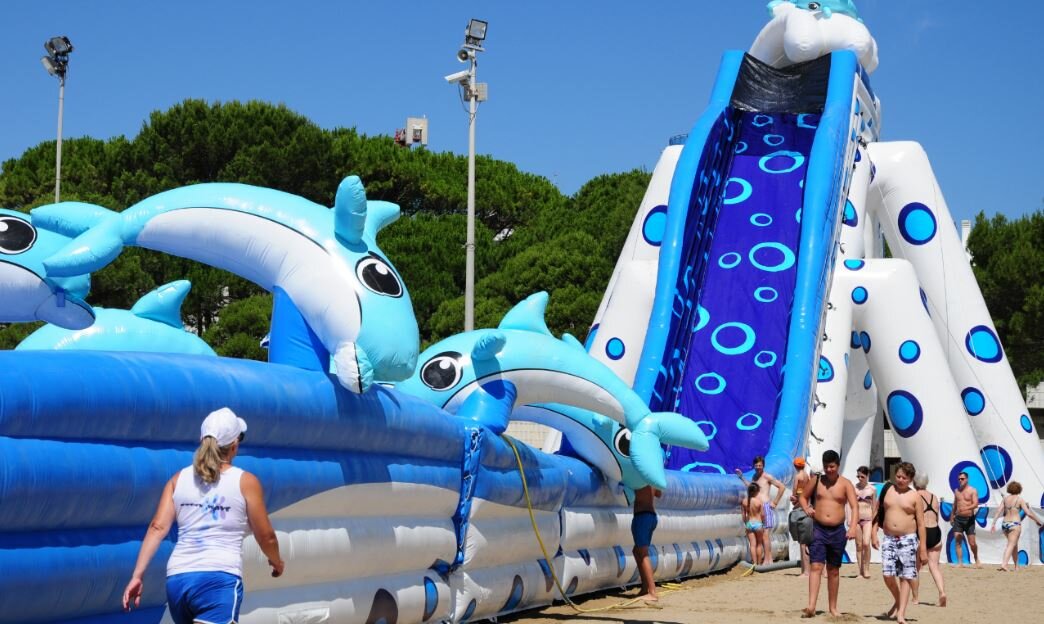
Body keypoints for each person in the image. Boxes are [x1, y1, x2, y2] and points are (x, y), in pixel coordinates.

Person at [122, 408, 285, 622]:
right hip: (218, 579)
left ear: (202, 439)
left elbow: (157, 528)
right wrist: (276, 561)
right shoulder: (245, 481)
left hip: (178, 580)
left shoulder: (178, 479)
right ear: (234, 446)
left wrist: (137, 575)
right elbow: (266, 536)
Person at [798, 450, 858, 618]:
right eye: (826, 467)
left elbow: (854, 506)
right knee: (816, 566)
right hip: (818, 528)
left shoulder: (845, 484)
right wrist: (807, 507)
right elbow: (803, 497)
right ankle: (811, 606)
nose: (829, 470)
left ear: (838, 465)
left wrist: (853, 526)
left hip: (838, 530)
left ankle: (833, 607)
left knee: (833, 570)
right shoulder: (816, 480)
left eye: (832, 466)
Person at [871, 462, 927, 624]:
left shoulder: (915, 496)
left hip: (908, 539)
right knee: (887, 574)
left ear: (910, 479)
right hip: (888, 537)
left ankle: (901, 613)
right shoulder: (888, 489)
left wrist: (922, 548)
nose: (900, 480)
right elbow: (877, 512)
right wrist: (874, 532)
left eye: (904, 477)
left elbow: (921, 524)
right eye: (898, 476)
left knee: (905, 576)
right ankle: (897, 600)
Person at [735, 455, 785, 565]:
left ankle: (768, 559)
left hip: (766, 507)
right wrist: (742, 477)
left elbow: (782, 487)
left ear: (763, 466)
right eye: (756, 465)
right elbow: (751, 487)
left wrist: (775, 502)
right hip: (757, 509)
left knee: (766, 534)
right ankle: (765, 558)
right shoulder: (754, 477)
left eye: (760, 465)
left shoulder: (767, 477)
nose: (758, 467)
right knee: (762, 536)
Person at [990, 481, 1043, 571]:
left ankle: (1016, 566)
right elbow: (1028, 513)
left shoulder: (1005, 499)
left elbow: (998, 511)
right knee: (1011, 545)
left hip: (1005, 524)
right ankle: (1004, 564)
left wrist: (993, 523)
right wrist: (1038, 521)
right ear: (1019, 489)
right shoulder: (1020, 499)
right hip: (1015, 524)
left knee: (1014, 545)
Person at [912, 473, 946, 606]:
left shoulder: (915, 496)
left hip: (922, 532)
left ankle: (915, 598)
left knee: (916, 567)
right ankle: (942, 591)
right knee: (934, 566)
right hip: (935, 531)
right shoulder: (934, 497)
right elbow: (937, 517)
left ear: (915, 483)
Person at [632, 485, 662, 602]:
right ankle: (645, 588)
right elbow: (658, 494)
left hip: (642, 516)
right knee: (637, 551)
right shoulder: (652, 478)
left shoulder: (639, 476)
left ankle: (652, 592)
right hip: (651, 516)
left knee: (643, 553)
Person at [951, 471, 981, 568]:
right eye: (959, 479)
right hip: (958, 519)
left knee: (972, 543)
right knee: (958, 540)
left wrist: (966, 508)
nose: (960, 480)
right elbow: (955, 505)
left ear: (967, 479)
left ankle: (976, 558)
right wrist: (952, 516)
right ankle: (960, 562)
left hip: (969, 519)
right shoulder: (957, 491)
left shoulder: (973, 490)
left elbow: (976, 504)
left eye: (962, 479)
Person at [852, 466, 876, 579]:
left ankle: (866, 568)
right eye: (858, 476)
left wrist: (874, 521)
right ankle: (860, 571)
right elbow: (850, 505)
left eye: (862, 476)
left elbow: (875, 507)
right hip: (856, 519)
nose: (860, 478)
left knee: (866, 543)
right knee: (859, 545)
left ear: (867, 476)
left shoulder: (872, 489)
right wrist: (850, 520)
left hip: (867, 519)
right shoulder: (854, 488)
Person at [790, 457, 812, 577]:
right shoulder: (807, 476)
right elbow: (806, 492)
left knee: (802, 543)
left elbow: (795, 493)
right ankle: (806, 570)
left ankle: (805, 571)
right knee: (807, 542)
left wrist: (793, 499)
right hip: (807, 505)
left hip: (800, 508)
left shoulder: (798, 477)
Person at [742, 482, 770, 566]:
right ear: (756, 492)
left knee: (752, 545)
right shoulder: (759, 502)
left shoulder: (744, 501)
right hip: (758, 523)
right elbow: (763, 515)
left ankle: (753, 563)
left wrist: (746, 523)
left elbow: (743, 515)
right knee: (759, 544)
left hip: (749, 523)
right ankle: (758, 563)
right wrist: (763, 523)